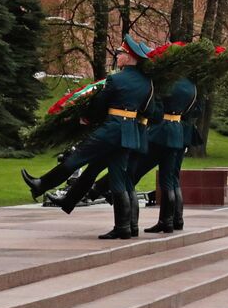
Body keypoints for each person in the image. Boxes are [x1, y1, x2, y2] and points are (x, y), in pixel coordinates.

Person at [21, 39, 151, 239]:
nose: (118, 56)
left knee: (77, 158)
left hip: (111, 130)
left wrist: (87, 118)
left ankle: (41, 184)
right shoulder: (147, 83)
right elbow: (147, 109)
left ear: (130, 57)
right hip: (129, 132)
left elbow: (100, 103)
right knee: (118, 181)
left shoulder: (116, 80)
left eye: (121, 53)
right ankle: (123, 227)